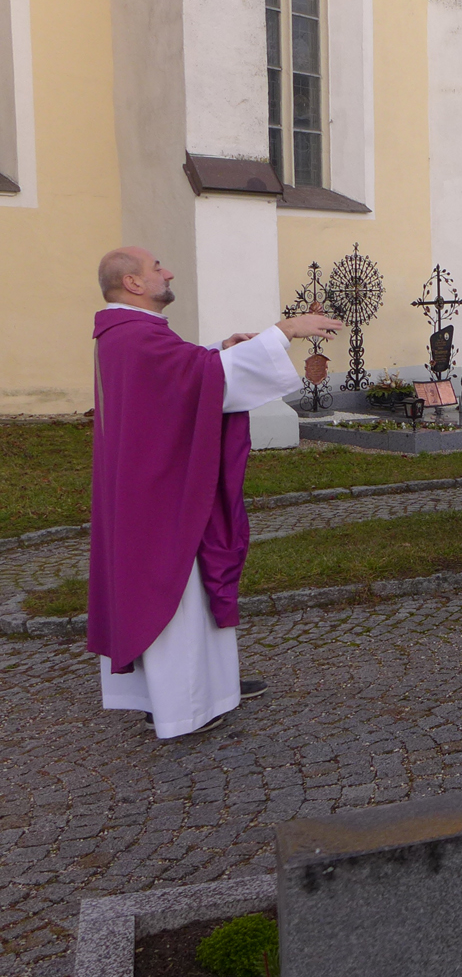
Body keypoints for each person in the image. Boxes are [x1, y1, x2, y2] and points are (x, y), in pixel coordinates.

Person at [88, 246, 341, 738]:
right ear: (134, 284)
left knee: (190, 591)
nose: (169, 270)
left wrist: (221, 353)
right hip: (160, 495)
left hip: (154, 483)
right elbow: (192, 381)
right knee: (174, 591)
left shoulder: (128, 334)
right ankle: (181, 706)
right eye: (157, 267)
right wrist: (285, 331)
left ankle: (205, 689)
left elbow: (184, 379)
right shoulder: (134, 337)